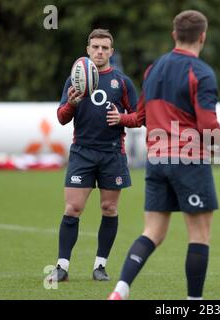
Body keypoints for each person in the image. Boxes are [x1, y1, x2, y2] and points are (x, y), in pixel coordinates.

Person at [106, 10, 220, 300]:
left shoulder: (153, 69)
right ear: (203, 37)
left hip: (157, 160)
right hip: (188, 160)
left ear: (174, 35)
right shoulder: (202, 72)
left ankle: (120, 290)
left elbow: (142, 116)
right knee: (199, 235)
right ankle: (193, 302)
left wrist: (121, 119)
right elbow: (208, 125)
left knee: (153, 232)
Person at [49, 29, 138, 282]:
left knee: (109, 208)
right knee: (73, 208)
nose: (100, 51)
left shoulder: (121, 82)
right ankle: (62, 266)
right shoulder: (73, 80)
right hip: (82, 153)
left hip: (112, 154)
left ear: (111, 51)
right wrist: (72, 104)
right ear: (88, 49)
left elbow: (140, 117)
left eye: (105, 48)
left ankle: (100, 266)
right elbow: (62, 118)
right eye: (95, 47)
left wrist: (122, 118)